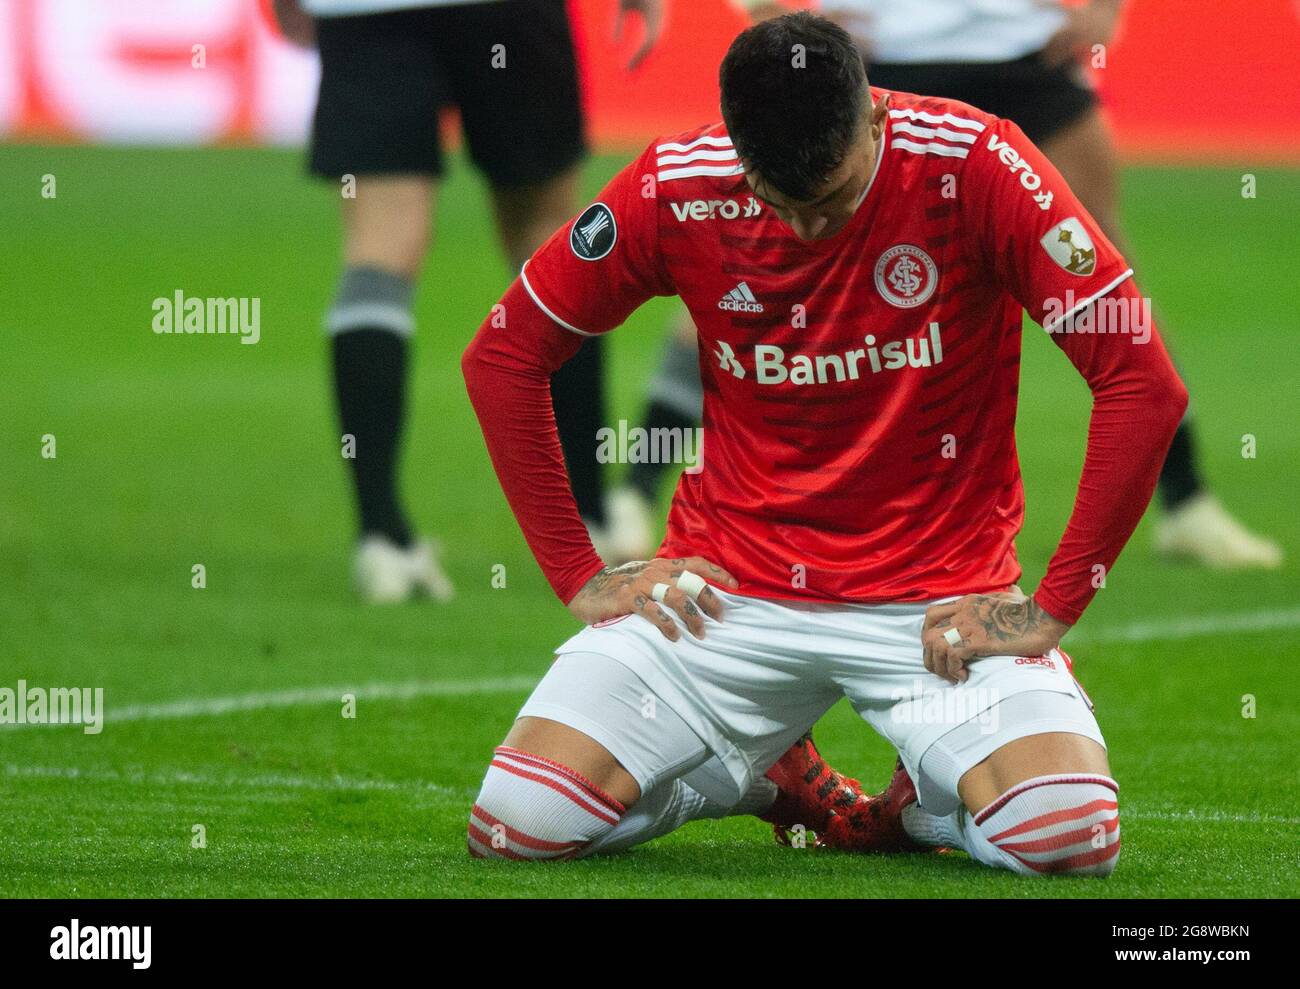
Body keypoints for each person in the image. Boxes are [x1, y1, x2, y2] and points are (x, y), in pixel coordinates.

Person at [459, 12, 1188, 874]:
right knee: (521, 822)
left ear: (874, 118)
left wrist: (1050, 609)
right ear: (737, 148)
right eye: (781, 200)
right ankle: (760, 778)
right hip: (724, 595)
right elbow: (504, 353)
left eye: (835, 197)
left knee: (1070, 838)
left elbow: (1143, 380)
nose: (809, 228)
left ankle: (924, 809)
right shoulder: (676, 183)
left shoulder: (977, 163)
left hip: (933, 604)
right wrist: (579, 575)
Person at [615, 0, 1281, 571]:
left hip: (1024, 51)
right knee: (765, 268)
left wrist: (1108, 9)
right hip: (880, 55)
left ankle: (1186, 498)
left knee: (1100, 259)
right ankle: (638, 488)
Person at [273, 0, 665, 602]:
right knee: (549, 238)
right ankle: (589, 518)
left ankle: (382, 540)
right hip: (506, 14)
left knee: (378, 252)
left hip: (365, 13)